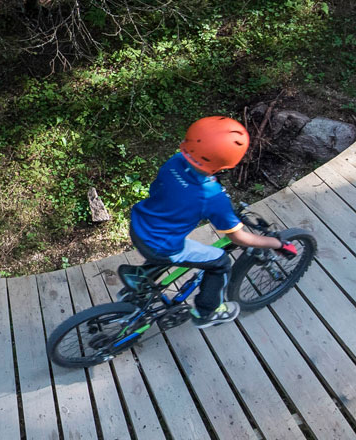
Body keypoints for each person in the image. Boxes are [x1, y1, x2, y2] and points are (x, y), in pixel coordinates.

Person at [127, 116, 297, 329]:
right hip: (161, 245)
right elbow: (238, 237)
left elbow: (157, 190)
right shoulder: (212, 196)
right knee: (220, 262)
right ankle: (208, 311)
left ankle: (140, 285)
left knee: (163, 246)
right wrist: (277, 244)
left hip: (139, 225)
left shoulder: (174, 163)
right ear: (226, 162)